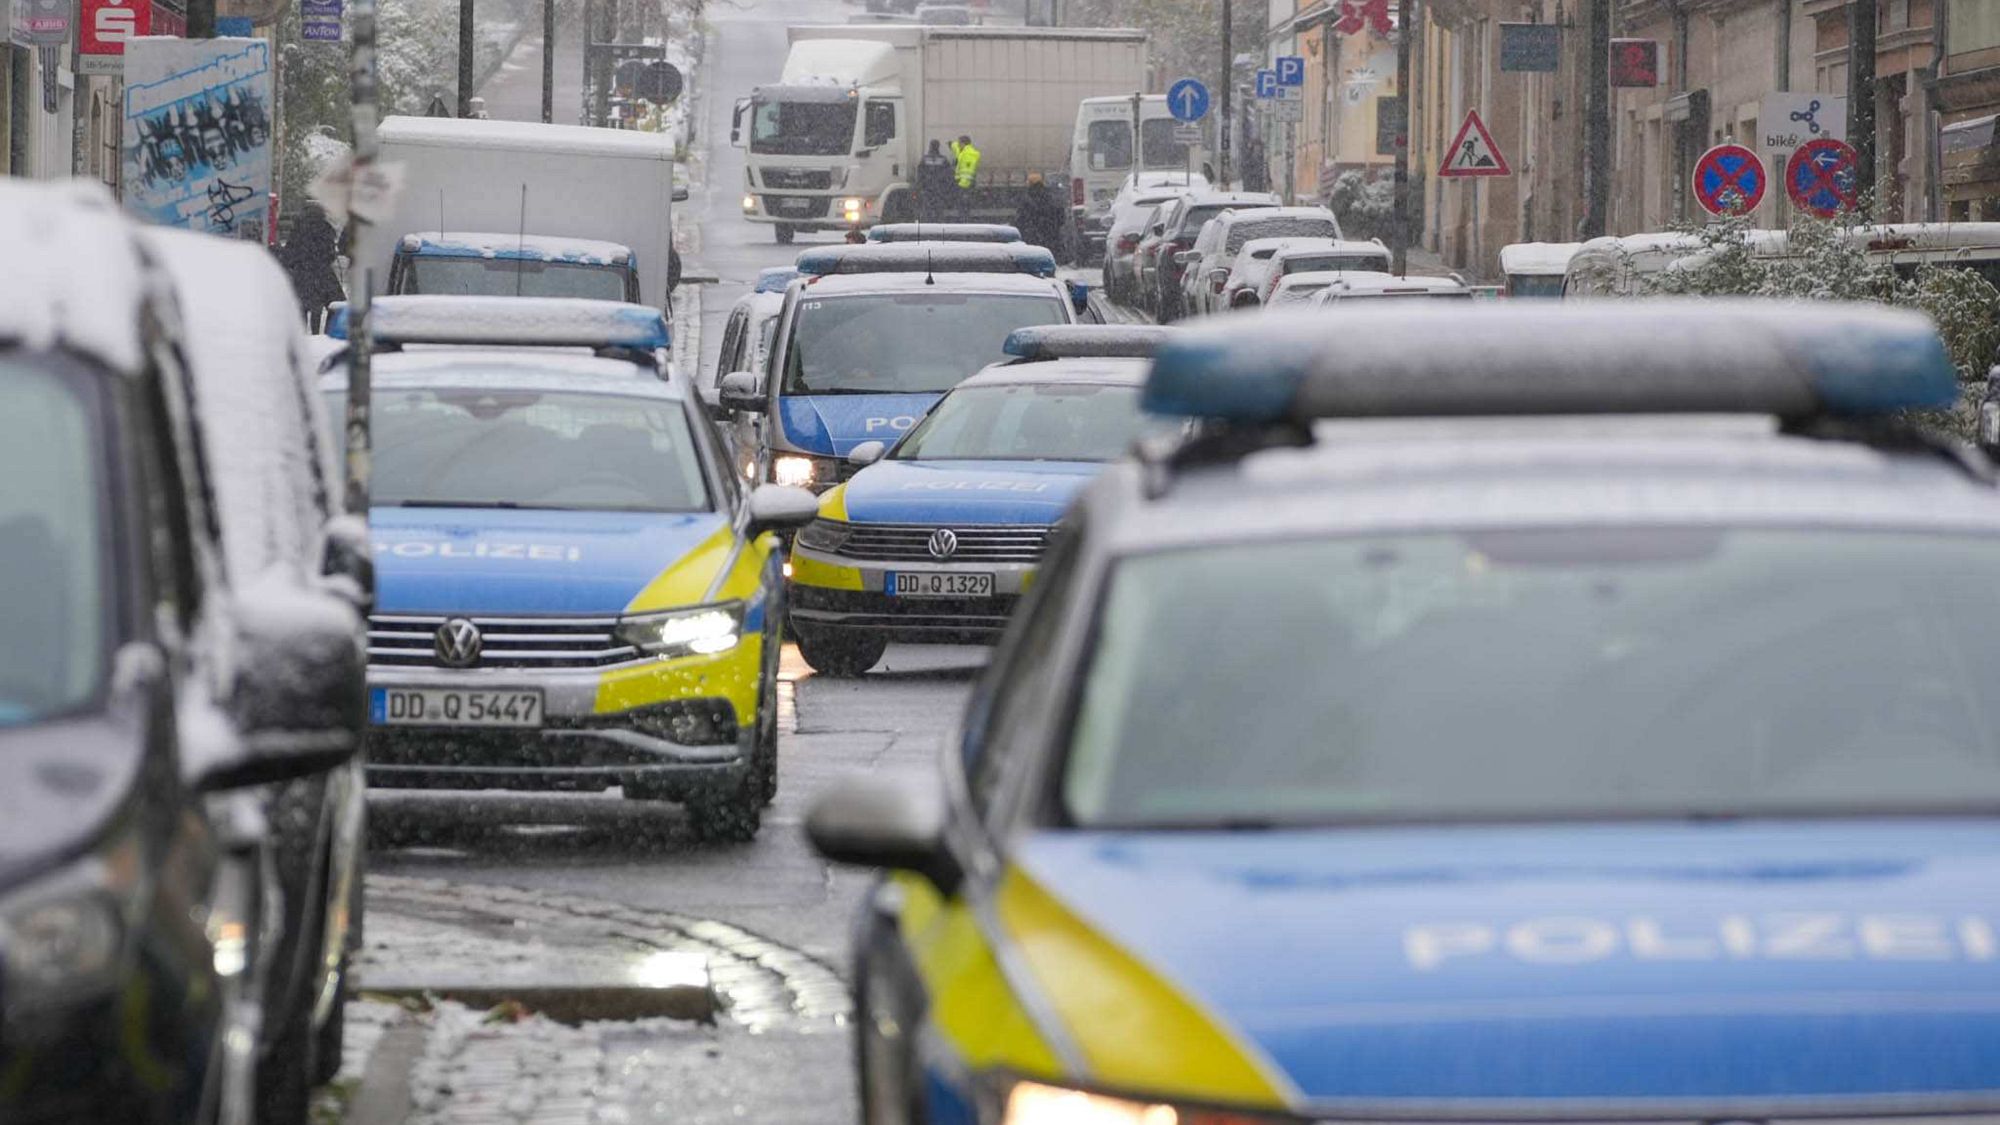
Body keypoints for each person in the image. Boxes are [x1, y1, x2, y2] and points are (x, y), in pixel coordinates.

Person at [279, 202, 343, 332]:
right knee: (336, 304)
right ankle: (323, 333)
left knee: (301, 306)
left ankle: (302, 335)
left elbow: (289, 254)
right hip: (322, 274)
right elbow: (329, 254)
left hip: (301, 274)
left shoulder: (298, 228)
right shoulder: (325, 228)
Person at [1013, 171, 1067, 260]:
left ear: (1029, 183)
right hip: (1050, 233)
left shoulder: (1027, 198)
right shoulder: (1050, 195)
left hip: (1033, 234)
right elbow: (1060, 213)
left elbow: (1021, 218)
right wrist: (1055, 226)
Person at [916, 139, 954, 221]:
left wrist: (921, 187)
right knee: (939, 210)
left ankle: (928, 225)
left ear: (930, 146)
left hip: (927, 189)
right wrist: (946, 188)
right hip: (939, 189)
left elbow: (920, 174)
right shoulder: (943, 159)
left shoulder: (924, 159)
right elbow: (948, 175)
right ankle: (938, 224)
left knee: (927, 209)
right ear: (938, 147)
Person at [950, 134, 981, 220]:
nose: (958, 145)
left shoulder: (969, 154)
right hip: (963, 184)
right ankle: (963, 219)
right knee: (963, 205)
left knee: (964, 205)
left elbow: (968, 172)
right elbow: (956, 147)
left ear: (963, 144)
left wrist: (962, 186)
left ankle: (964, 221)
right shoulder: (963, 150)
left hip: (965, 185)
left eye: (959, 143)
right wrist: (951, 144)